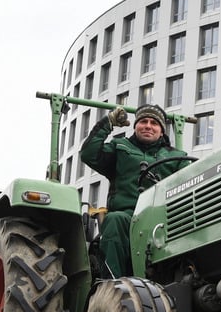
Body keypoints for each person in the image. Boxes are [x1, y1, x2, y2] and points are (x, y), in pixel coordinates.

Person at [80, 104, 189, 277]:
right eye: (143, 121)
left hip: (165, 218)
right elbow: (88, 154)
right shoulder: (120, 147)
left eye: (154, 123)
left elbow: (191, 181)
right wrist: (108, 123)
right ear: (135, 126)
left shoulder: (178, 157)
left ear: (161, 131)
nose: (148, 125)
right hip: (128, 217)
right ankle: (112, 285)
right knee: (114, 220)